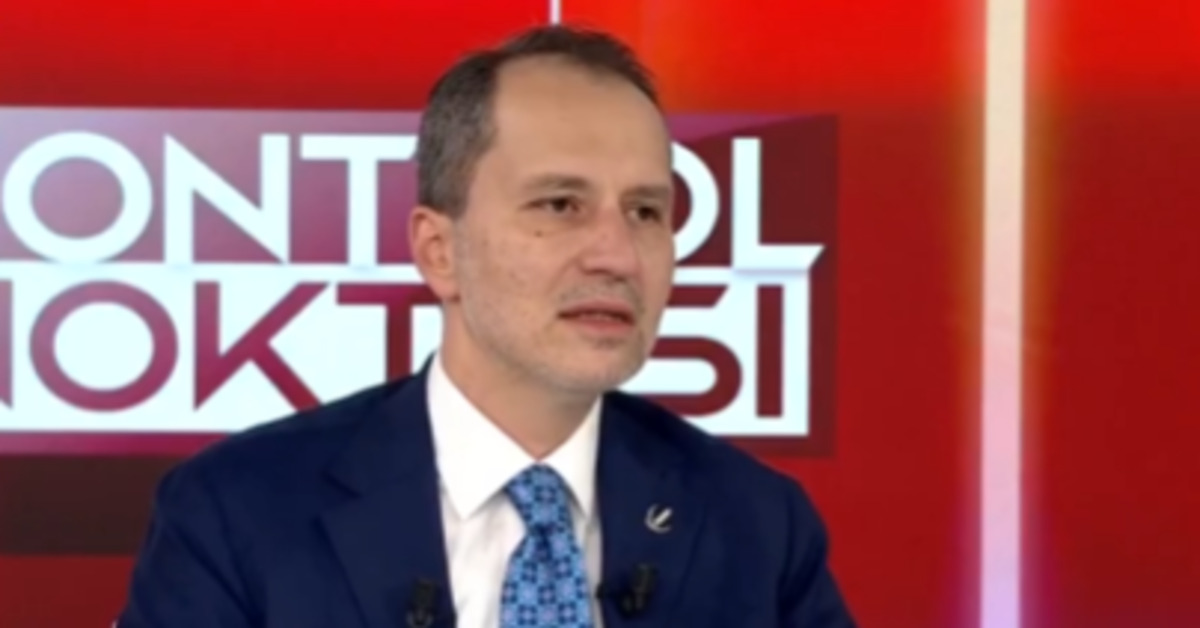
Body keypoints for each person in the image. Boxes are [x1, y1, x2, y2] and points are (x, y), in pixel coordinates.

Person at [117, 25, 855, 628]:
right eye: (560, 205)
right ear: (440, 251)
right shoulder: (236, 513)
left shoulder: (757, 525)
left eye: (645, 211)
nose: (617, 255)